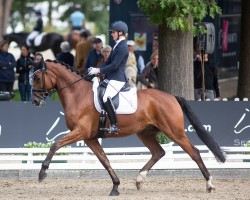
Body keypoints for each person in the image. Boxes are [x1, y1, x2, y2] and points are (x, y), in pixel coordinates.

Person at [88, 21, 129, 134]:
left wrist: (99, 70)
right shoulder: (117, 45)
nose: (112, 34)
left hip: (118, 78)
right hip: (111, 78)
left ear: (121, 33)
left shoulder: (123, 47)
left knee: (106, 97)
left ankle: (114, 125)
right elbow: (108, 62)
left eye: (113, 32)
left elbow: (115, 65)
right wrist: (96, 69)